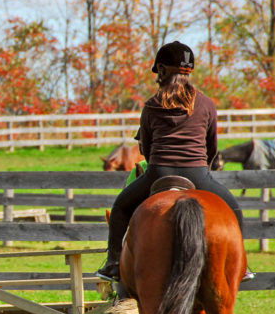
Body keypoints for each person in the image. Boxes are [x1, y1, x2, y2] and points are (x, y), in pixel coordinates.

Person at [96, 41, 254, 284]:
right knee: (233, 209)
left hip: (159, 172)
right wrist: (202, 167)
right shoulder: (207, 104)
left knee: (120, 207)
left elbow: (146, 149)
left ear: (161, 69)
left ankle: (114, 264)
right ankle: (241, 265)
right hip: (199, 174)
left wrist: (159, 163)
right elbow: (211, 147)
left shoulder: (151, 104)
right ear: (189, 71)